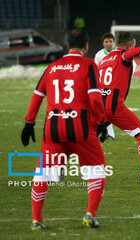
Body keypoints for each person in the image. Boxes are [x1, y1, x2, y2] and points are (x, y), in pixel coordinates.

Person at [21, 29, 108, 230]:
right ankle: (89, 214)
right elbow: (95, 98)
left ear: (67, 45)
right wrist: (102, 121)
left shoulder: (52, 66)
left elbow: (37, 95)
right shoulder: (89, 65)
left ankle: (36, 220)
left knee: (43, 174)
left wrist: (29, 123)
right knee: (97, 169)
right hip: (80, 128)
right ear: (86, 46)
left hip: (53, 128)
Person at [99, 32, 140, 183]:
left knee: (85, 137)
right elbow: (127, 55)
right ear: (129, 45)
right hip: (114, 107)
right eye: (133, 45)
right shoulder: (122, 55)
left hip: (100, 106)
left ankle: (58, 169)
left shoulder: (104, 59)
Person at [94, 32, 117, 140]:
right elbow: (96, 71)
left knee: (109, 110)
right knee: (106, 110)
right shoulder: (99, 55)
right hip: (103, 86)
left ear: (114, 42)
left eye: (111, 41)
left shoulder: (119, 53)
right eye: (106, 41)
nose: (109, 43)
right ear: (103, 43)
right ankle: (110, 134)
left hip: (116, 87)